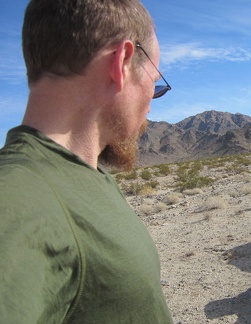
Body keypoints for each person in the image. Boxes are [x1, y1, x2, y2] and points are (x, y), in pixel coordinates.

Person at [0, 0, 173, 322]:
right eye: (155, 83)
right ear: (121, 63)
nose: (152, 102)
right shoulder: (17, 198)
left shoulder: (81, 173)